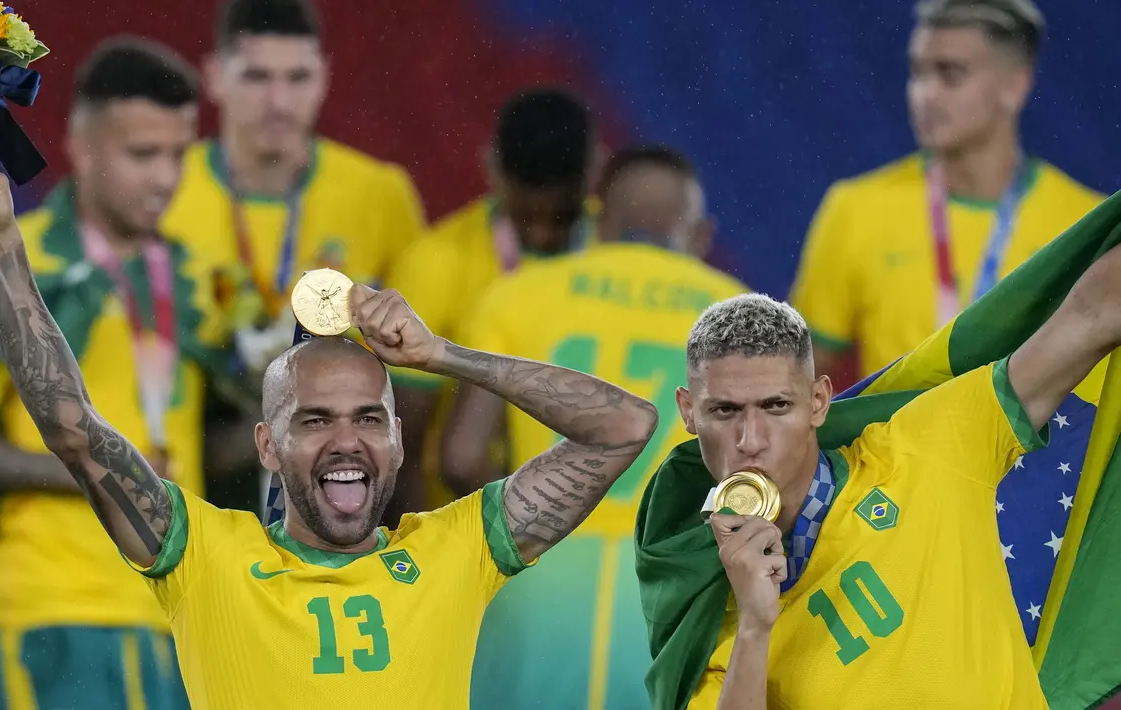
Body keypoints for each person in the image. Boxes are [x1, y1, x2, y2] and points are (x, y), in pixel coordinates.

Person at [0, 157, 658, 710]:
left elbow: (624, 428)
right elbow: (72, 427)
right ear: (267, 447)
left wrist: (441, 355)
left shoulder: (454, 551)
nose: (346, 441)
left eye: (369, 419)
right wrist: (3, 255)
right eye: (314, 420)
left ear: (399, 443)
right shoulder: (203, 555)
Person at [0, 38, 230, 710]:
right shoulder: (17, 267)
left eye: (177, 154)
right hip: (57, 607)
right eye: (143, 155)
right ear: (81, 144)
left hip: (183, 611)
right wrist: (92, 471)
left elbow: (212, 444)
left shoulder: (197, 279)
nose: (165, 179)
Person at [653, 254, 1121, 707]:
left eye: (776, 406)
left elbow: (1094, 314)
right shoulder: (711, 611)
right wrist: (755, 625)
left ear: (818, 402)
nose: (750, 439)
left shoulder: (927, 448)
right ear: (689, 412)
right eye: (724, 410)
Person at [444, 146, 748, 709]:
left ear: (595, 221)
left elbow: (460, 458)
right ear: (700, 234)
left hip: (536, 580)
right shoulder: (736, 310)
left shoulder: (518, 293)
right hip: (672, 589)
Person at [162, 0, 428, 515]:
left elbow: (412, 374)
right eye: (257, 76)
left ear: (324, 77)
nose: (279, 101)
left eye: (297, 77)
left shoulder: (381, 195)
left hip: (343, 485)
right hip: (203, 488)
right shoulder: (166, 193)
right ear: (215, 77)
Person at [789, 0, 1102, 382]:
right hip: (895, 442)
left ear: (1014, 86)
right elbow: (796, 378)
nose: (925, 94)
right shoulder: (855, 209)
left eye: (950, 74)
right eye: (917, 72)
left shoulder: (1085, 223)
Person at [384, 88, 600, 519]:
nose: (539, 235)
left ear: (593, 173)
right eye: (524, 218)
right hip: (467, 534)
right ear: (493, 170)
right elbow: (398, 443)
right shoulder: (433, 265)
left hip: (602, 533)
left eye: (560, 220)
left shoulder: (624, 259)